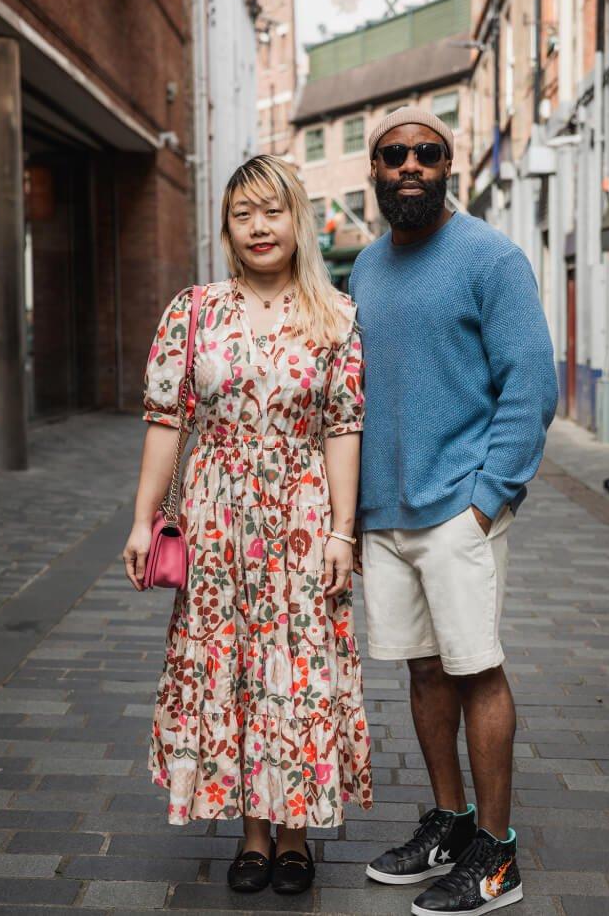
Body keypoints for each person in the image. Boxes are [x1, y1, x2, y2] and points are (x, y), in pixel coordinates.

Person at [122, 154, 372, 896]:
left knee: (295, 673)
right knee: (227, 672)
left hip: (300, 520)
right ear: (228, 228)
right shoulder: (193, 310)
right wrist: (143, 522)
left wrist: (341, 532)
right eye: (243, 214)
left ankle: (294, 832)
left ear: (297, 219)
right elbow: (166, 421)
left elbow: (343, 427)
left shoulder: (337, 317)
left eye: (273, 211)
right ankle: (252, 834)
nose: (259, 227)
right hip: (214, 522)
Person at [349, 107, 558, 915]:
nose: (410, 164)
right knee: (423, 667)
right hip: (386, 513)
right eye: (394, 153)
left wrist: (486, 499)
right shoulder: (365, 267)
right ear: (375, 171)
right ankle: (449, 821)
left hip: (458, 509)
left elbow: (530, 386)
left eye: (426, 153)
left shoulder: (490, 258)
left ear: (448, 165)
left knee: (476, 668)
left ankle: (497, 855)